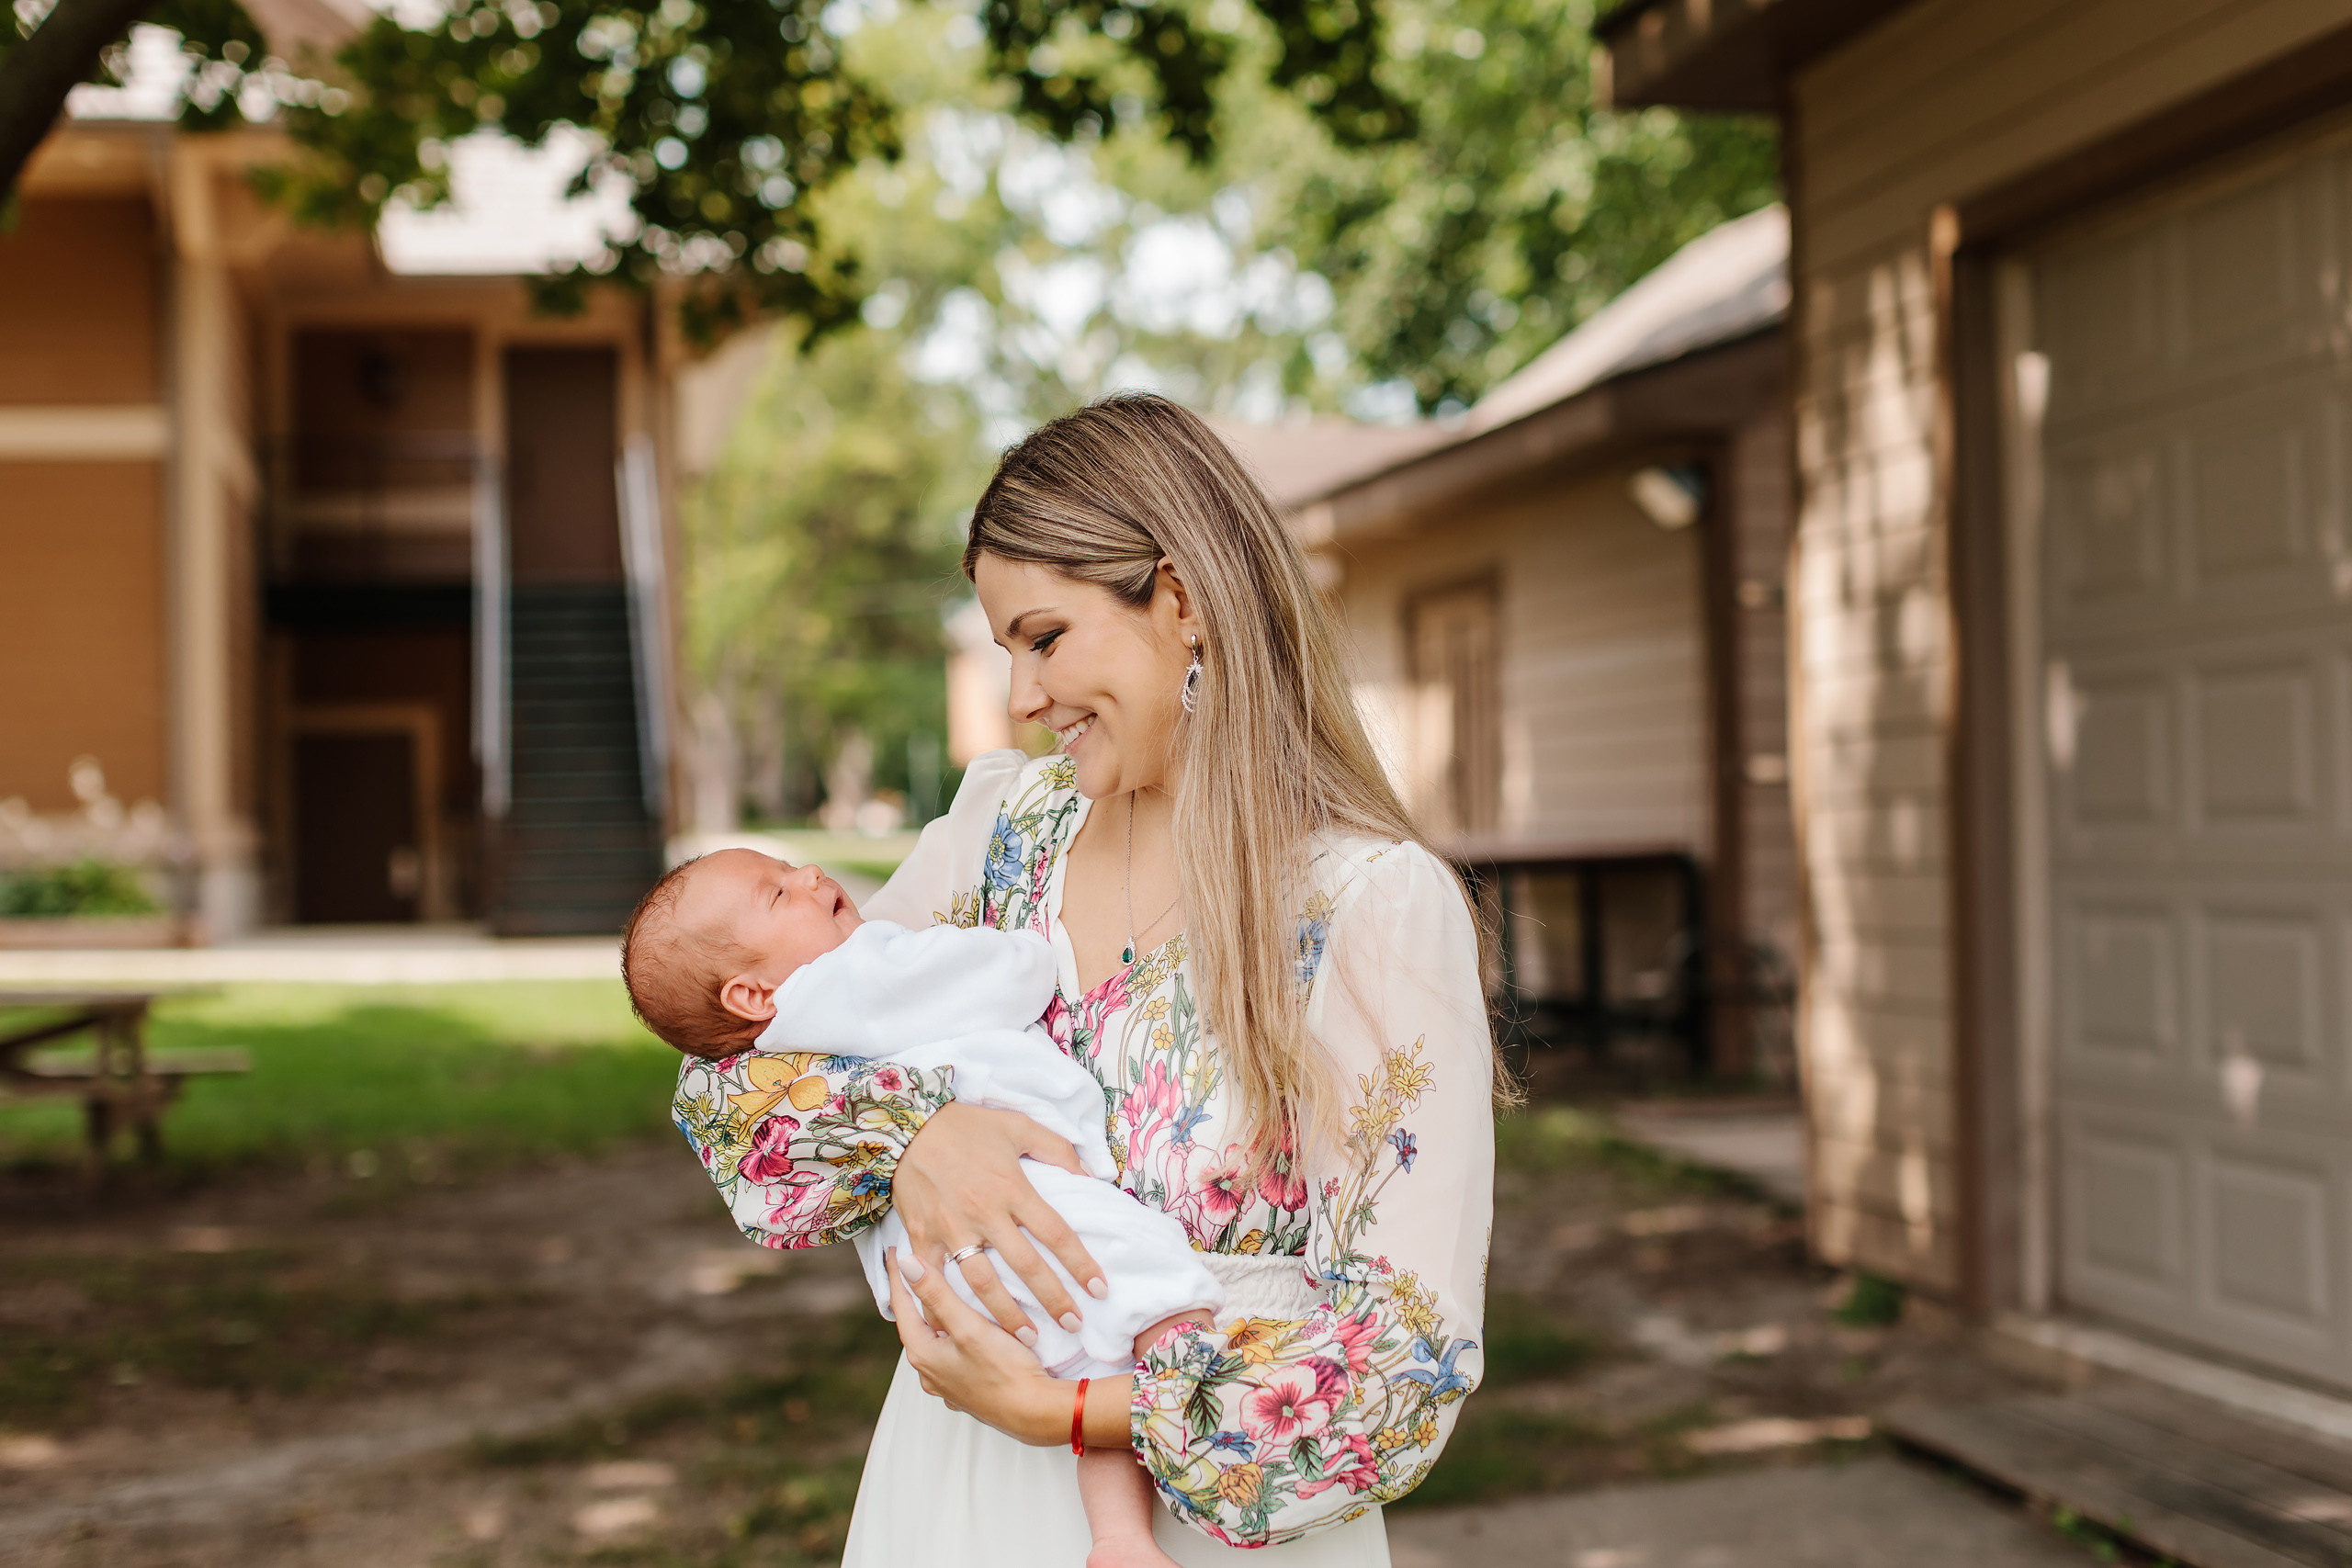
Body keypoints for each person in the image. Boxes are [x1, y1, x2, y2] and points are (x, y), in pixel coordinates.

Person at [672, 391, 1498, 1565]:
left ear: (1183, 599)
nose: (1020, 698)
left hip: (1204, 1530)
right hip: (951, 1490)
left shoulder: (1366, 904)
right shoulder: (997, 834)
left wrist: (1065, 1413)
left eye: (1045, 638)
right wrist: (915, 1139)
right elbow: (727, 1096)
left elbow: (1405, 1369)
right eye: (1006, 650)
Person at [628, 846, 1223, 1567]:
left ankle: (1120, 1538)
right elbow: (1009, 976)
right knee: (1165, 1315)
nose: (811, 876)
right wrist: (1033, 948)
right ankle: (1193, 1441)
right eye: (778, 893)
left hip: (944, 1278)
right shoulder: (855, 977)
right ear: (751, 996)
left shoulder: (776, 1046)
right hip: (1034, 1205)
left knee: (1096, 1378)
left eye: (793, 868)